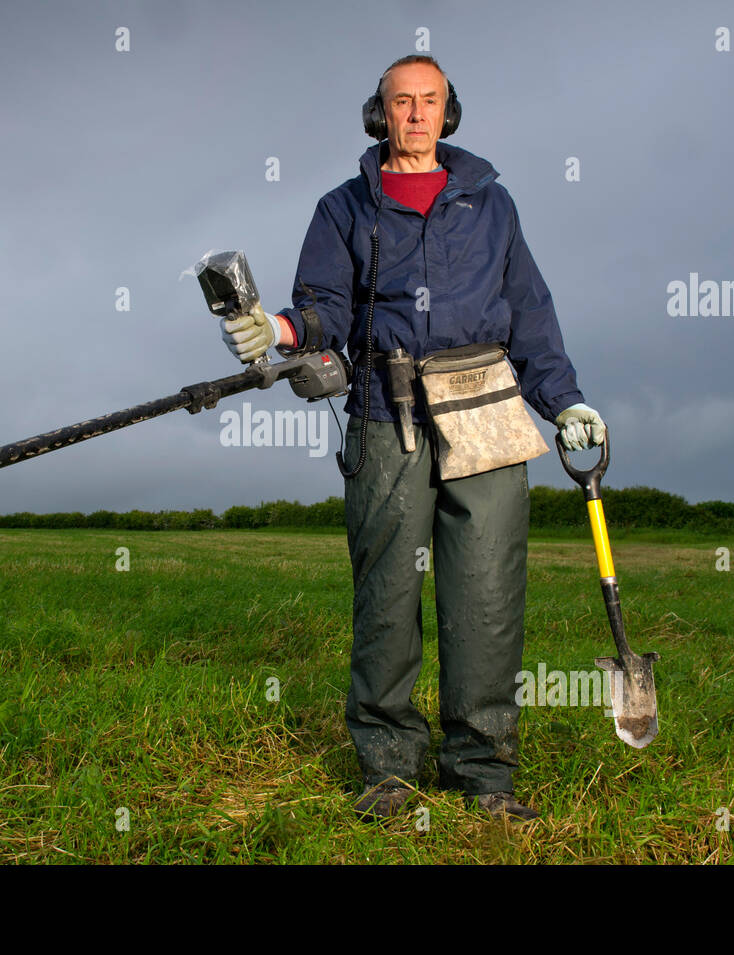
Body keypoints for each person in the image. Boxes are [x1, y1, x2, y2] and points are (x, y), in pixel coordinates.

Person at [220, 55, 605, 822]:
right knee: (388, 594)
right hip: (382, 410)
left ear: (449, 111)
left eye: (430, 101)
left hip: (486, 409)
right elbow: (322, 305)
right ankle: (388, 770)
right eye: (403, 102)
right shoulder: (343, 208)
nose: (417, 115)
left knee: (487, 596)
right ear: (380, 114)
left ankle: (484, 774)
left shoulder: (493, 205)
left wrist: (565, 401)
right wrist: (283, 329)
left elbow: (530, 309)